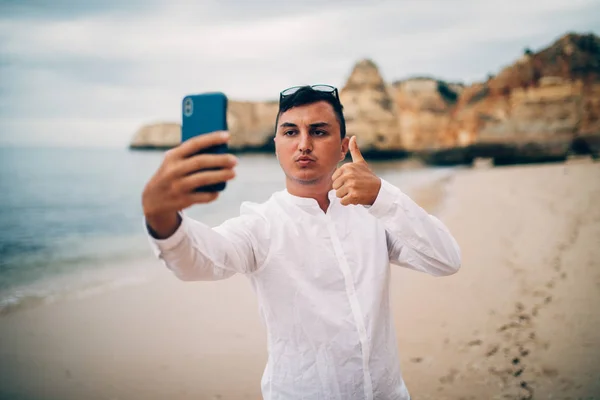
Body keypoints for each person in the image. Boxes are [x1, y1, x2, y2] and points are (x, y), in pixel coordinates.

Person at [141, 84, 461, 400]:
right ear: (276, 144)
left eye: (319, 132)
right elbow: (199, 260)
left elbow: (445, 260)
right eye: (291, 132)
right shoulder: (260, 224)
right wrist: (161, 215)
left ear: (342, 147)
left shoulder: (375, 212)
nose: (303, 144)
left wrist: (382, 196)